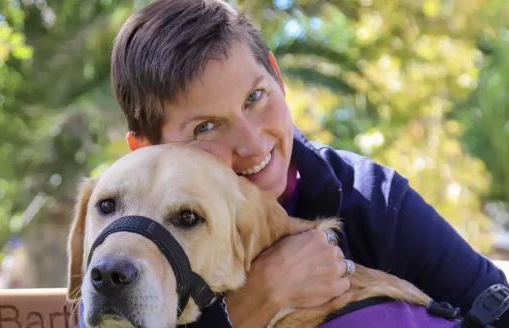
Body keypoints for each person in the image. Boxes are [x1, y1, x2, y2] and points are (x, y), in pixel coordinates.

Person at [84, 0, 509, 327]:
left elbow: (495, 302)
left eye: (255, 97)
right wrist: (251, 306)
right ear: (146, 149)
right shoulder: (125, 248)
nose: (253, 144)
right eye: (206, 128)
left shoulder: (373, 197)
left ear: (276, 75)